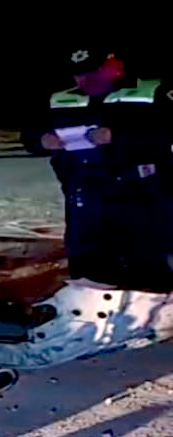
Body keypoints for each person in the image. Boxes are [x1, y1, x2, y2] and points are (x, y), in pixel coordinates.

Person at [22, 44, 173, 292]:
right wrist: (41, 140)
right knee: (88, 274)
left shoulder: (153, 91)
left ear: (115, 66)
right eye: (78, 74)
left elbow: (165, 132)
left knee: (149, 271)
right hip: (86, 199)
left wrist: (119, 136)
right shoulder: (60, 98)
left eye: (93, 72)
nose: (85, 80)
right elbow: (30, 133)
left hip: (145, 196)